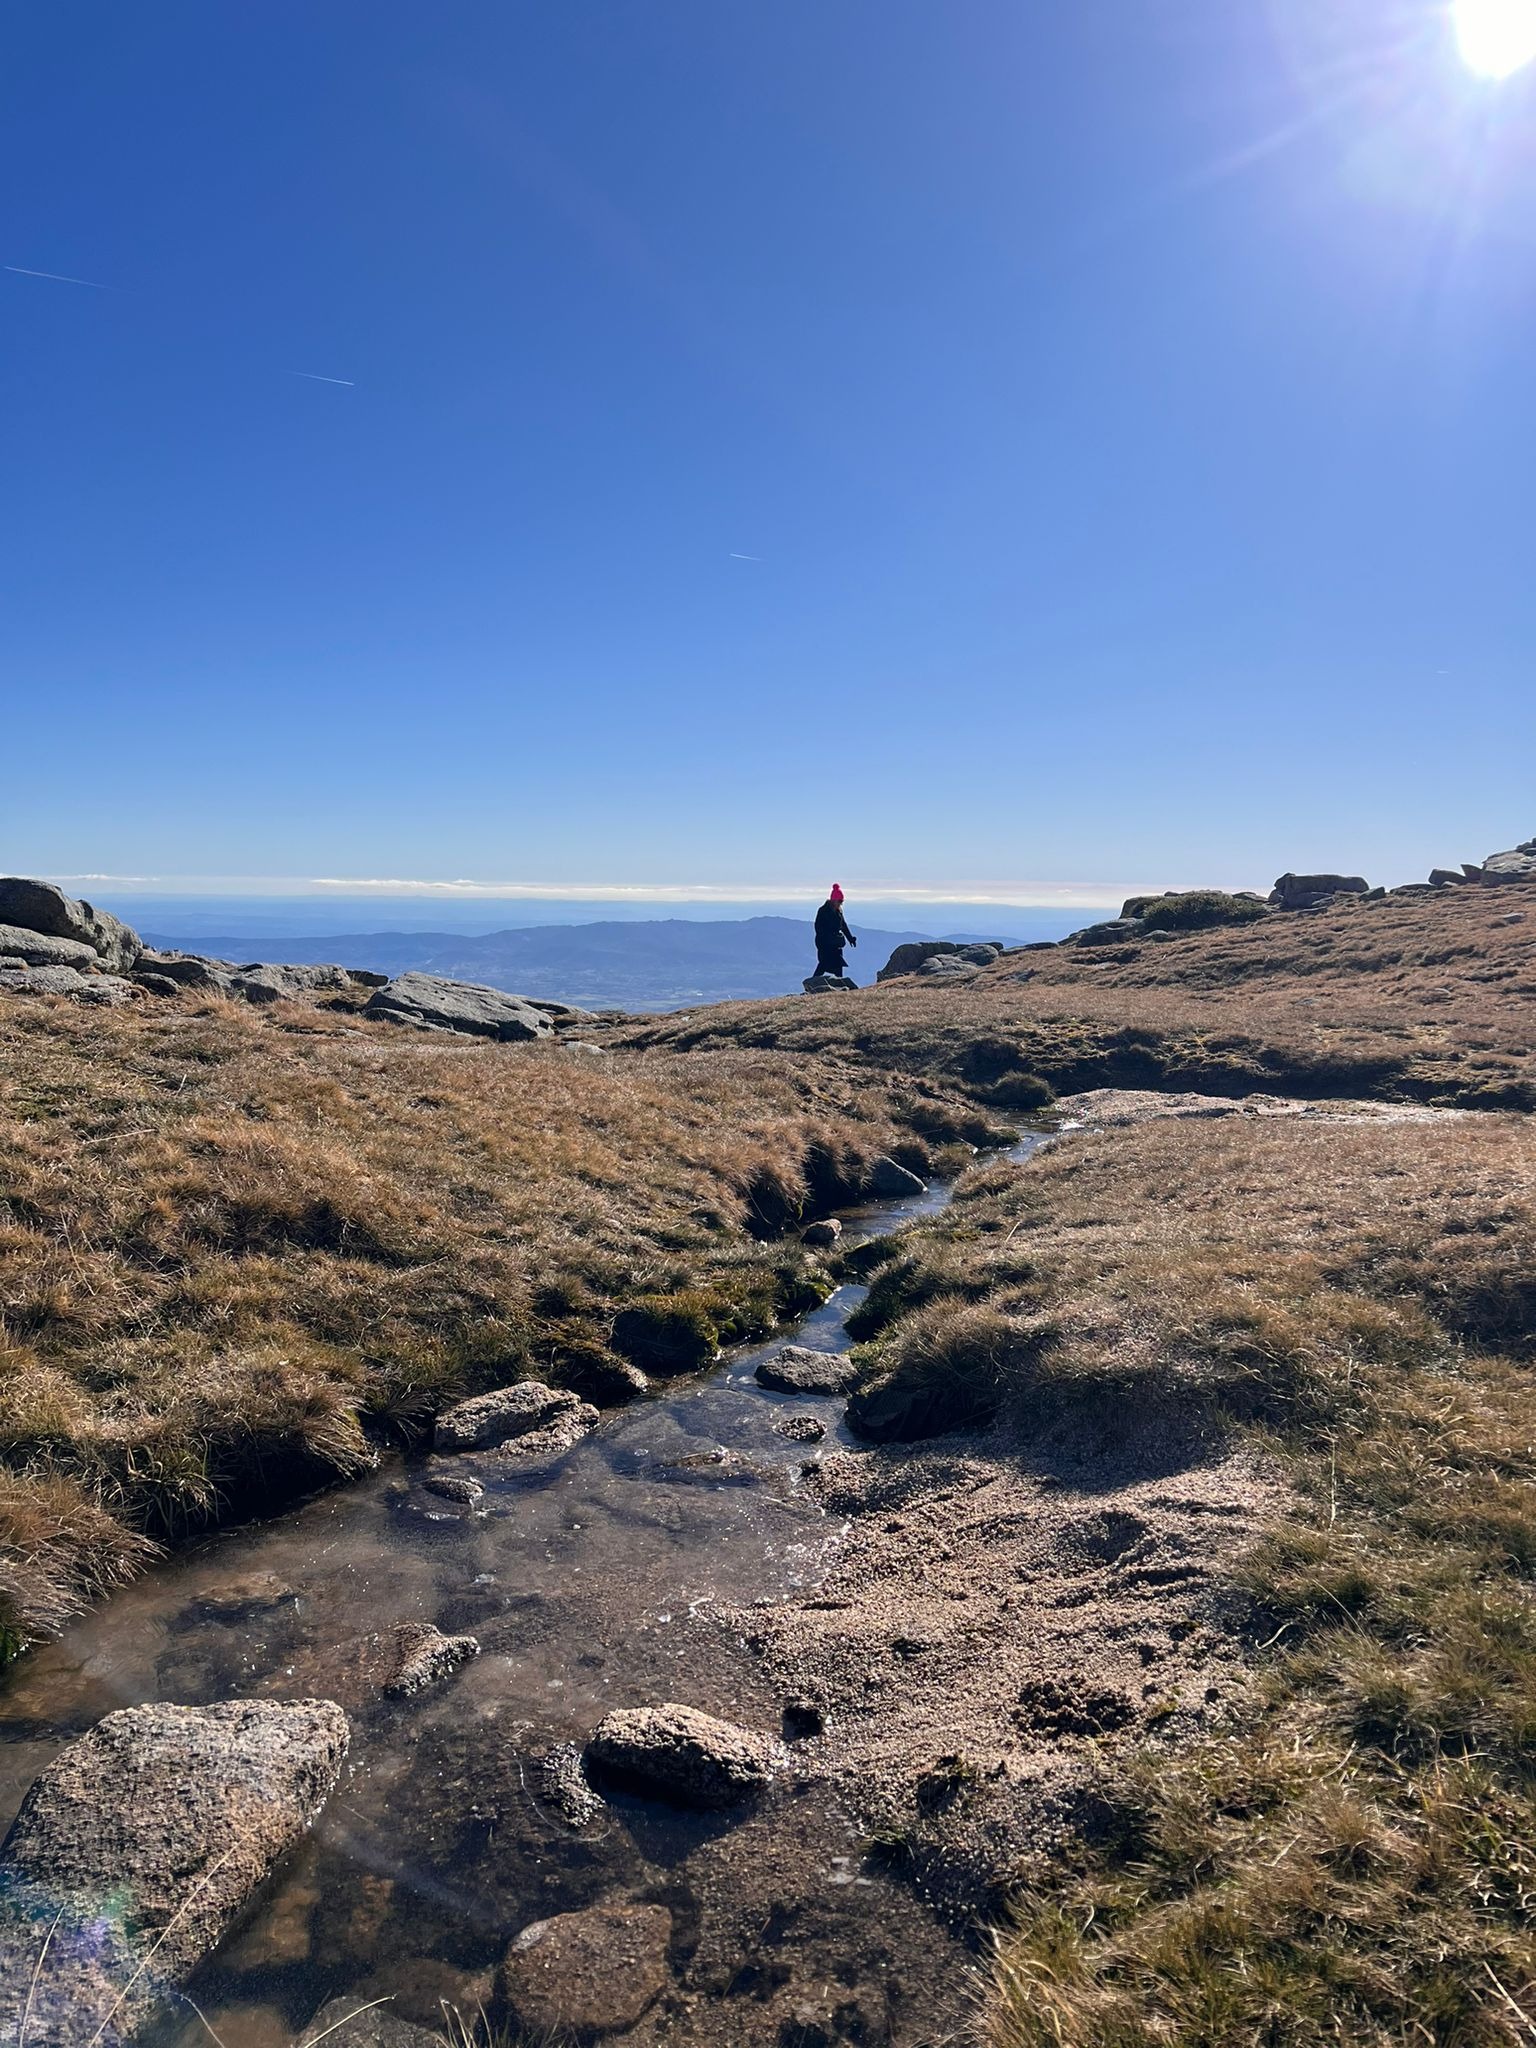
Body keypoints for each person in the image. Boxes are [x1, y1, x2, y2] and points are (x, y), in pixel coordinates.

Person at [813, 884, 857, 981]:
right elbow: (818, 928)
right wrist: (827, 938)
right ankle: (812, 982)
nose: (841, 904)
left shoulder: (838, 911)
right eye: (839, 901)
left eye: (842, 902)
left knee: (838, 964)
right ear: (833, 900)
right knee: (824, 963)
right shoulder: (823, 911)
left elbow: (843, 925)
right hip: (824, 943)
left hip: (835, 944)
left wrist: (850, 938)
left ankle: (840, 983)